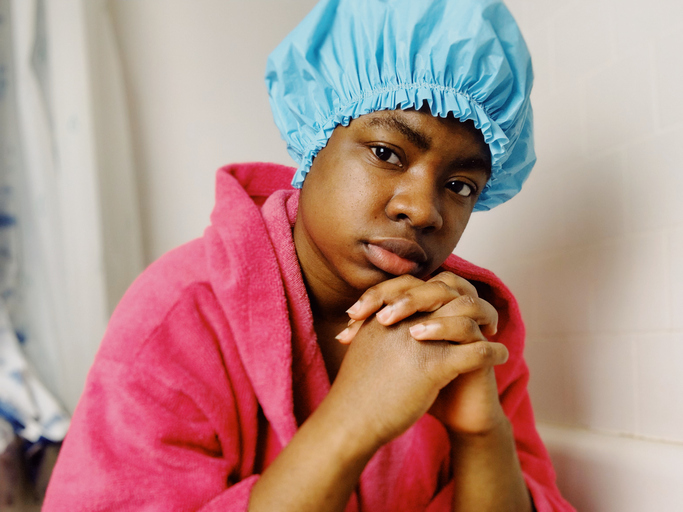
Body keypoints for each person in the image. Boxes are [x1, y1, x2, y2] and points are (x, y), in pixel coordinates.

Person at [43, 0, 575, 510]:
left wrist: (480, 433)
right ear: (314, 137)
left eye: (460, 185)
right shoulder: (182, 315)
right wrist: (353, 419)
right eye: (387, 153)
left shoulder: (468, 327)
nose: (423, 210)